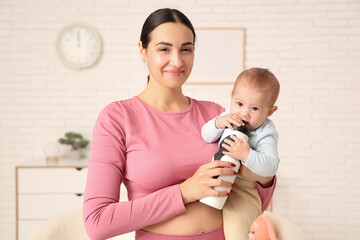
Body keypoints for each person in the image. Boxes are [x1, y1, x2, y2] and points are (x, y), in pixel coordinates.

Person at [83, 8, 276, 240]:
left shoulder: (218, 115)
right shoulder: (118, 118)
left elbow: (253, 200)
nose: (177, 60)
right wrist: (185, 191)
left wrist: (263, 176)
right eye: (164, 49)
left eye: (186, 49)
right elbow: (97, 223)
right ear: (142, 50)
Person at [201, 67, 280, 240]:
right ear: (231, 97)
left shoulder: (265, 132)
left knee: (236, 230)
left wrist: (247, 154)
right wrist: (218, 123)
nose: (244, 112)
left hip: (243, 190)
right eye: (239, 104)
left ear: (269, 112)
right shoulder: (228, 116)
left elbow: (271, 166)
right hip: (219, 178)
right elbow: (205, 135)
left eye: (255, 109)